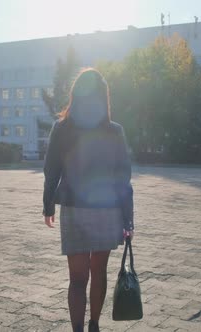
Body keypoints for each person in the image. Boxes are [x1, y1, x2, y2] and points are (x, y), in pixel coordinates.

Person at [42, 68, 134, 332]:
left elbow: (52, 170)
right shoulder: (114, 131)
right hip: (107, 210)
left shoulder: (62, 128)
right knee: (99, 272)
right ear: (103, 97)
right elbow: (123, 178)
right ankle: (94, 325)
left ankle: (79, 331)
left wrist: (48, 205)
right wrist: (128, 219)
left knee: (77, 279)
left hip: (74, 209)